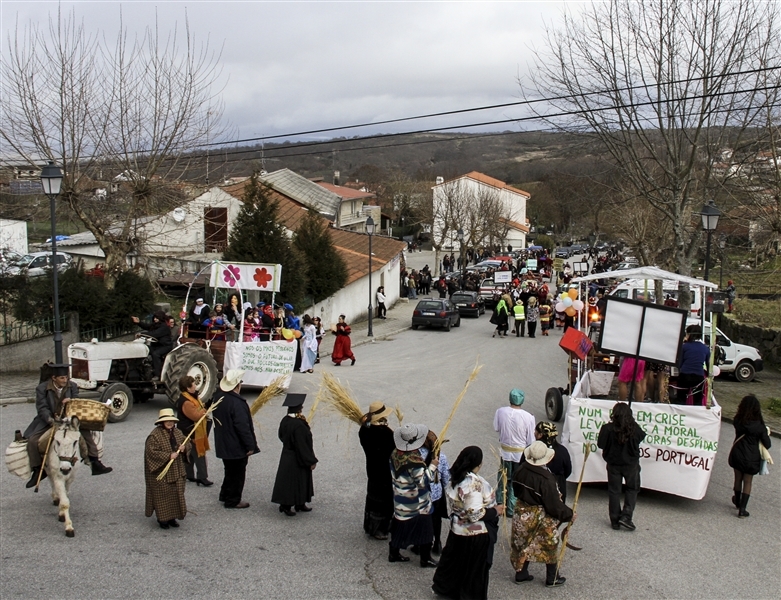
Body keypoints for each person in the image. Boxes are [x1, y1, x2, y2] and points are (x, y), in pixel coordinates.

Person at [23, 364, 112, 488]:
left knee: (86, 434)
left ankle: (94, 462)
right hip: (49, 419)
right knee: (32, 441)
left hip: (69, 418)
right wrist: (51, 420)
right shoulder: (42, 388)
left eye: (66, 377)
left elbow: (77, 404)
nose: (65, 380)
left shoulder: (73, 386)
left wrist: (71, 402)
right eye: (62, 378)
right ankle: (38, 470)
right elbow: (42, 408)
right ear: (54, 378)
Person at [432, 446, 502, 600]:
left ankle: (447, 589)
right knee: (473, 568)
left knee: (455, 561)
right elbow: (475, 513)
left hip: (457, 528)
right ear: (478, 464)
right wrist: (496, 510)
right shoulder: (471, 484)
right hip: (474, 533)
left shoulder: (455, 476)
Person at [510, 441, 574, 587]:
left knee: (524, 541)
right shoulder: (546, 479)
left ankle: (521, 573)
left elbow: (516, 490)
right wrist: (569, 514)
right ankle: (552, 578)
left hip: (522, 512)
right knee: (549, 543)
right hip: (540, 514)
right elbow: (553, 505)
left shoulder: (520, 470)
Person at [388, 423, 439, 568]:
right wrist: (433, 466)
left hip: (400, 499)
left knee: (400, 527)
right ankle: (425, 558)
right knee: (426, 531)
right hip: (416, 503)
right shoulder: (414, 461)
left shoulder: (395, 454)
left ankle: (394, 552)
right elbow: (422, 481)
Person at [211, 369, 259, 509]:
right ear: (237, 385)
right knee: (237, 473)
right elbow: (242, 427)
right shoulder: (236, 403)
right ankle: (232, 499)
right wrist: (250, 445)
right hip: (235, 444)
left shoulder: (218, 398)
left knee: (229, 470)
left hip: (224, 442)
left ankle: (225, 494)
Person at [597, 402, 646, 531]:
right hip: (631, 464)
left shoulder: (607, 429)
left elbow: (601, 444)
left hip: (613, 464)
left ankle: (615, 520)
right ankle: (626, 516)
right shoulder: (634, 429)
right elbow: (641, 436)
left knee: (614, 491)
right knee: (632, 489)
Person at [271, 393, 318, 516]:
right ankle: (286, 506)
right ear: (299, 409)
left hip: (287, 454)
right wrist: (311, 460)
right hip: (297, 458)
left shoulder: (285, 420)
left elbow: (281, 436)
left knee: (291, 481)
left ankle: (299, 503)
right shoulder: (298, 425)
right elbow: (302, 445)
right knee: (295, 482)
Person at [144, 408, 190, 529]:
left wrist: (184, 448)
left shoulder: (178, 432)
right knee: (163, 496)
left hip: (176, 470)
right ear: (161, 422)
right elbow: (151, 453)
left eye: (171, 421)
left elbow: (187, 442)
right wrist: (168, 456)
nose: (170, 423)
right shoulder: (154, 436)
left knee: (176, 494)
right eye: (167, 421)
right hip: (161, 472)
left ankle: (173, 518)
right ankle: (163, 519)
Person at [493, 389, 536, 516]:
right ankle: (512, 507)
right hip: (520, 454)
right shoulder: (528, 417)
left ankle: (500, 503)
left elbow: (496, 427)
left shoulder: (500, 412)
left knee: (503, 478)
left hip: (505, 452)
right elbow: (530, 440)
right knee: (515, 480)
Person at [728, 395, 772, 518]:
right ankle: (742, 509)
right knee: (748, 481)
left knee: (737, 479)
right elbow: (767, 444)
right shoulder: (759, 426)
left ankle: (737, 500)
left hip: (737, 453)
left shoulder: (738, 420)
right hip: (752, 457)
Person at [359, 402, 396, 540]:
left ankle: (371, 526)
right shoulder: (386, 434)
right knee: (385, 500)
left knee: (373, 497)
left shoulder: (364, 431)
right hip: (385, 471)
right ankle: (381, 528)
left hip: (372, 468)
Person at [176, 375, 212, 487]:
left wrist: (206, 405)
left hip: (187, 430)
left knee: (190, 453)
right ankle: (202, 477)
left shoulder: (190, 397)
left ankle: (189, 474)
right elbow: (196, 416)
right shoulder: (186, 402)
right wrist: (205, 409)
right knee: (198, 454)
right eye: (193, 384)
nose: (195, 386)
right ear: (188, 388)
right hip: (190, 432)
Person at [420, 431, 450, 555]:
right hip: (436, 495)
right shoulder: (441, 457)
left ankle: (419, 544)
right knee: (436, 520)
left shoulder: (417, 455)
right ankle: (437, 542)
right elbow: (446, 478)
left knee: (422, 520)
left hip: (421, 495)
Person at [534, 422, 572, 503]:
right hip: (558, 485)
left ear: (540, 435)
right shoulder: (563, 451)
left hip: (537, 487)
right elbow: (568, 470)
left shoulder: (532, 451)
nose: (534, 433)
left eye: (535, 431)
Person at [131, 311, 173, 379]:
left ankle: (157, 375)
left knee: (155, 354)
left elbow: (155, 333)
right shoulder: (155, 325)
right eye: (154, 318)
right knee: (143, 348)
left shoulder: (164, 327)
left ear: (161, 318)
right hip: (156, 346)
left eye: (157, 318)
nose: (155, 319)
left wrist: (142, 334)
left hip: (165, 346)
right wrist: (138, 322)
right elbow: (147, 326)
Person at [676, 326, 710, 406]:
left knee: (681, 399)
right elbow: (708, 365)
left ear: (689, 334)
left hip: (685, 375)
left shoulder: (684, 346)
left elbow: (679, 363)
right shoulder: (705, 348)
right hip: (699, 377)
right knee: (697, 401)